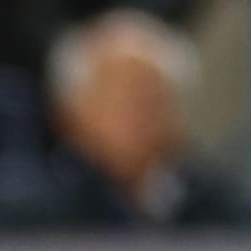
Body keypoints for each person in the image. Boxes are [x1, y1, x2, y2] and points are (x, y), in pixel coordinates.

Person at [34, 8, 251, 229]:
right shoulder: (35, 210)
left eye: (151, 98)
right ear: (70, 112)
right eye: (118, 99)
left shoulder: (221, 207)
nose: (137, 115)